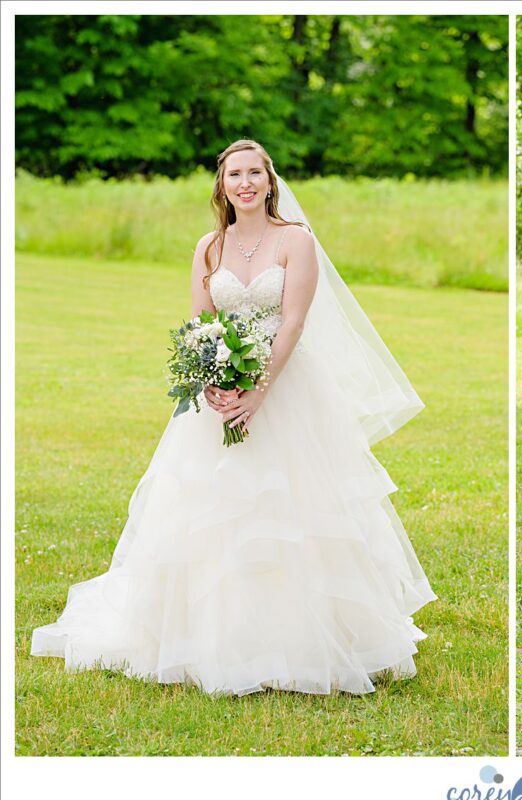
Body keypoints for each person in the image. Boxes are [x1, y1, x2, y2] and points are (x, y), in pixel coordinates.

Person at [31, 139, 437, 695]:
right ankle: (208, 637)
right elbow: (199, 323)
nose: (244, 183)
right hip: (219, 397)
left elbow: (292, 321)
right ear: (222, 186)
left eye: (254, 173)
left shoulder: (296, 241)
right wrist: (215, 383)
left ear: (270, 182)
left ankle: (305, 639)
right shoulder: (209, 247)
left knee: (294, 513)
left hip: (287, 391)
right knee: (209, 514)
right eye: (233, 175)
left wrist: (259, 392)